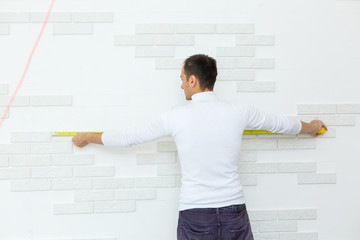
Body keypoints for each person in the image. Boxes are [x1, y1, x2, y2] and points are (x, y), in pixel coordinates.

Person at [72, 54, 327, 240]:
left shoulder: (175, 116)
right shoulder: (239, 112)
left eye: (182, 79)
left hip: (195, 216)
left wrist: (87, 136)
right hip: (234, 214)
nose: (180, 84)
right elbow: (283, 124)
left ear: (193, 80)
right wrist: (312, 127)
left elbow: (129, 137)